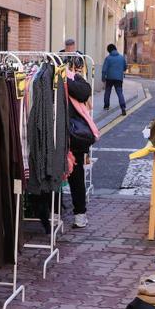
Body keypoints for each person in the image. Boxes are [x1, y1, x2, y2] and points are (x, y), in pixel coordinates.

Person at [65, 62, 97, 228]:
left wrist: (65, 80)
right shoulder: (43, 78)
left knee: (75, 175)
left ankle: (80, 213)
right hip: (58, 134)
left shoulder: (72, 78)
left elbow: (84, 92)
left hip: (73, 136)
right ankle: (56, 212)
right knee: (55, 173)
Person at [101, 43, 127, 115]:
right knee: (119, 93)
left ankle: (106, 106)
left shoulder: (108, 58)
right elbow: (125, 67)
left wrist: (103, 78)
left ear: (109, 51)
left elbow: (104, 69)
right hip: (119, 78)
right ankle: (123, 107)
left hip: (109, 78)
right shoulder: (121, 58)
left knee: (107, 91)